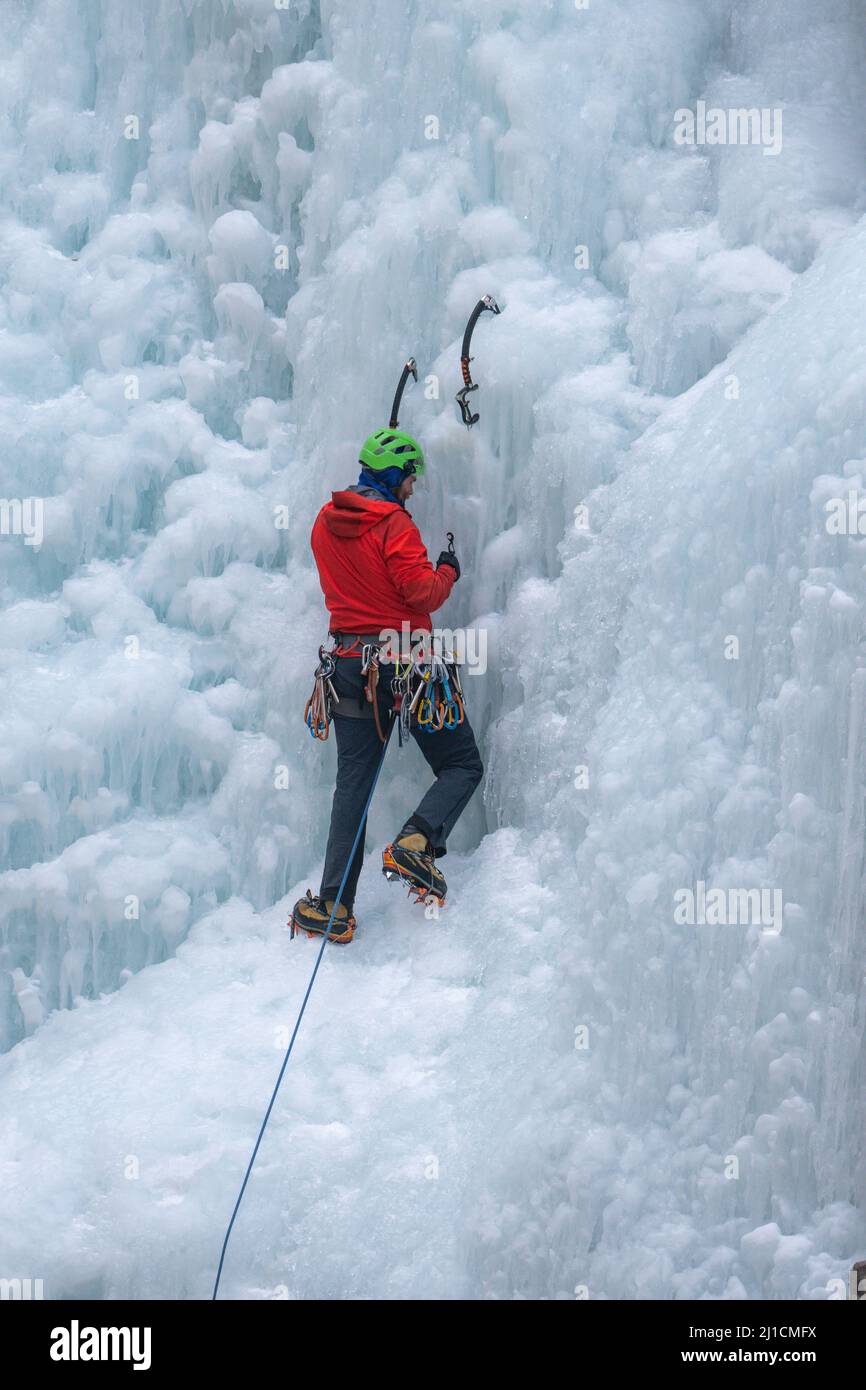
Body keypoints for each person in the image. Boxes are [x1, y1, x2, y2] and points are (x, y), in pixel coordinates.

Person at [290, 427, 484, 944]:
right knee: (462, 763)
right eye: (410, 481)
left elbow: (353, 586)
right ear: (395, 475)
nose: (412, 491)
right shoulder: (394, 524)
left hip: (349, 665)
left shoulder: (323, 525)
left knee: (353, 783)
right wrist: (447, 571)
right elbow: (419, 592)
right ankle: (416, 840)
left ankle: (333, 905)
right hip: (407, 661)